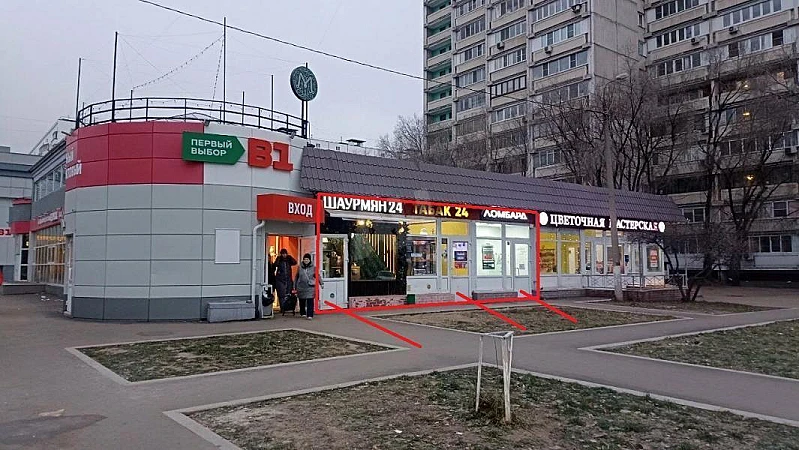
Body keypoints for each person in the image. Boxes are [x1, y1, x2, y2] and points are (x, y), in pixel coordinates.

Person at [295, 253, 322, 319]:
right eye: (305, 259)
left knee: (310, 300)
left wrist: (321, 283)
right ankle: (303, 312)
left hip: (310, 286)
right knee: (302, 300)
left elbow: (317, 276)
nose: (306, 260)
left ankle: (310, 315)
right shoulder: (300, 267)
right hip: (301, 286)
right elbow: (296, 277)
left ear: (310, 260)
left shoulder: (313, 268)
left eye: (307, 259)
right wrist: (294, 286)